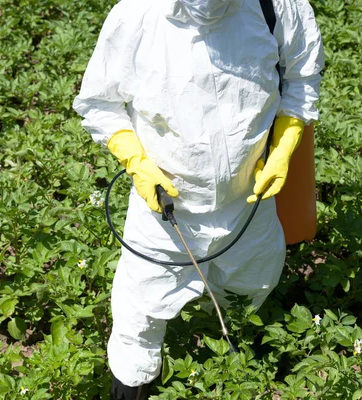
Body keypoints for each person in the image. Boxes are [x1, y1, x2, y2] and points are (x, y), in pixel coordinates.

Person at [73, 0, 324, 398]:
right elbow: (99, 103)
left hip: (248, 202)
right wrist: (135, 160)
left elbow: (302, 76)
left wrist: (286, 141)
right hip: (166, 213)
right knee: (139, 319)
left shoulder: (276, 7)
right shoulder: (135, 15)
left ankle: (240, 370)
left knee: (250, 293)